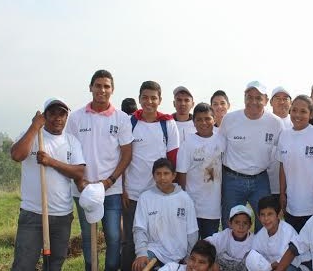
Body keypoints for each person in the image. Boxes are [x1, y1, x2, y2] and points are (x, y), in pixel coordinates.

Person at [66, 69, 133, 271]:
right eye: (98, 85)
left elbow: (127, 154)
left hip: (111, 190)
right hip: (83, 188)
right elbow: (70, 151)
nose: (102, 90)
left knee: (113, 236)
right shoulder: (76, 117)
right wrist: (80, 182)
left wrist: (109, 181)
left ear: (112, 90)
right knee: (88, 237)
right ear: (91, 87)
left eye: (106, 86)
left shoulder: (121, 119)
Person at [10, 98, 85, 271]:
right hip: (33, 214)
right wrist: (35, 127)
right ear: (44, 116)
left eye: (62, 114)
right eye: (52, 113)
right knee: (24, 265)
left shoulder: (71, 141)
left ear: (66, 117)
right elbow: (16, 155)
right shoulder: (33, 136)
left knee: (54, 265)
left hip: (62, 215)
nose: (57, 118)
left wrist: (51, 162)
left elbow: (79, 172)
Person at [121, 81, 179, 271]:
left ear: (160, 100)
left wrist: (171, 191)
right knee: (130, 241)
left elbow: (172, 158)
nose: (149, 102)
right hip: (134, 194)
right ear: (139, 99)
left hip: (158, 193)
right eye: (145, 97)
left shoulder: (167, 123)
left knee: (158, 239)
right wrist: (122, 189)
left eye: (153, 98)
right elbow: (123, 157)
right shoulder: (130, 122)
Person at [219, 81, 284, 232]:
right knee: (231, 223)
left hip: (260, 179)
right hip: (232, 179)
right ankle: (228, 255)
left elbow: (284, 152)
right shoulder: (230, 119)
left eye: (258, 98)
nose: (253, 102)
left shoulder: (275, 123)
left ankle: (259, 254)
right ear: (244, 98)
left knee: (266, 223)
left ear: (266, 100)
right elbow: (219, 151)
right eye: (249, 97)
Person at [277, 95, 313, 233]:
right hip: (291, 205)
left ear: (311, 114)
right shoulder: (284, 135)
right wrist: (282, 194)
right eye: (294, 110)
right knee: (294, 246)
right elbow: (282, 167)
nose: (297, 115)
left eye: (303, 111)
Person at [132, 158, 199, 270]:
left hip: (180, 255)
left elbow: (192, 233)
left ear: (173, 175)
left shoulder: (185, 198)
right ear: (153, 176)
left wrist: (188, 258)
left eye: (166, 173)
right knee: (139, 266)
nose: (162, 178)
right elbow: (139, 229)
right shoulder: (145, 198)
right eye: (158, 174)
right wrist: (141, 253)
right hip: (155, 252)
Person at [177, 103, 225, 239]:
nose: (204, 123)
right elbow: (181, 174)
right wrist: (184, 202)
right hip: (192, 207)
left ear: (214, 119)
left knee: (209, 247)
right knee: (190, 247)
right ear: (194, 122)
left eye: (207, 118)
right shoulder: (188, 143)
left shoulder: (221, 141)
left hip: (213, 208)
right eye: (199, 119)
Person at [246, 195, 308, 271]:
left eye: (270, 214)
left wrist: (270, 267)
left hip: (293, 266)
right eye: (262, 215)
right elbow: (254, 255)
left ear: (278, 215)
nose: (266, 219)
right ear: (258, 217)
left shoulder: (287, 231)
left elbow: (287, 258)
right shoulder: (260, 235)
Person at [205, 205, 254, 271]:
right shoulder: (224, 236)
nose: (241, 227)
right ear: (230, 224)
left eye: (245, 223)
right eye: (237, 222)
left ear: (250, 225)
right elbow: (205, 243)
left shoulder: (254, 241)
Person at [268, 86, 293, 201]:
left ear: (290, 102)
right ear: (271, 102)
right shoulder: (264, 121)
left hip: (292, 186)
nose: (282, 102)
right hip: (268, 184)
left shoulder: (297, 122)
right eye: (277, 98)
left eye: (285, 98)